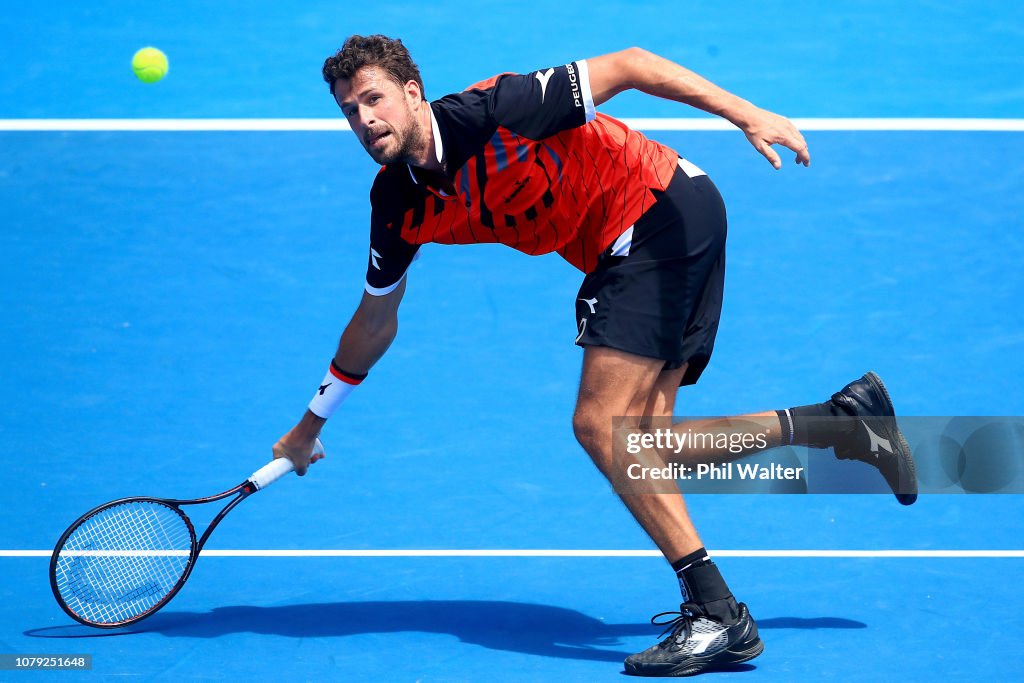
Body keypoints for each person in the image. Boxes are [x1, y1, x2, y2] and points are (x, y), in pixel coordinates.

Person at [272, 35, 917, 677]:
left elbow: (632, 65)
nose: (365, 120)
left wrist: (745, 113)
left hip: (657, 209)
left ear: (412, 93)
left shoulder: (500, 109)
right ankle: (840, 424)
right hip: (642, 234)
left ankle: (717, 612)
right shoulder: (397, 202)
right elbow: (374, 321)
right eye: (349, 111)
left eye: (374, 100)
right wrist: (310, 425)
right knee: (647, 448)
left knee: (598, 424)